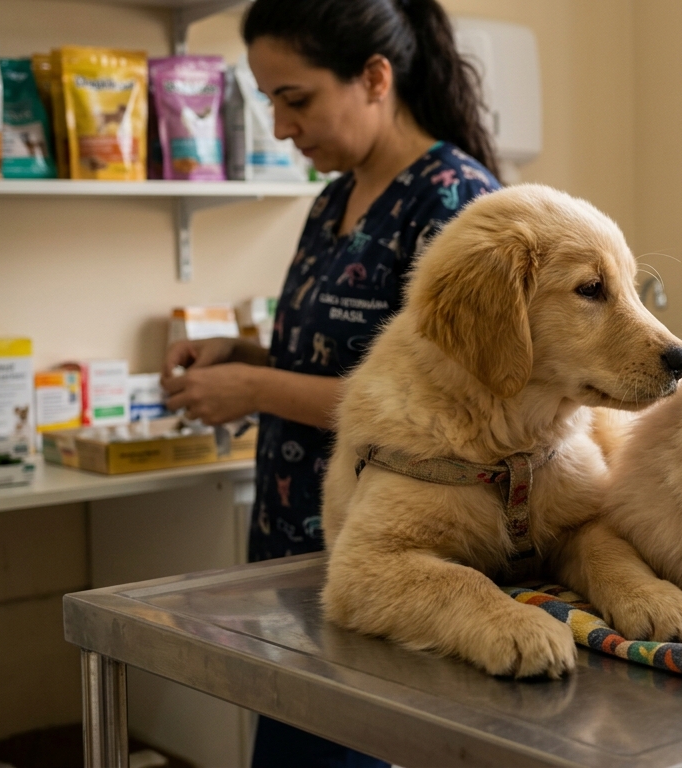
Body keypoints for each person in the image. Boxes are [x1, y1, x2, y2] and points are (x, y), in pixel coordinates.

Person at [160, 0, 501, 765]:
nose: (281, 127)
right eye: (269, 101)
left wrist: (253, 390)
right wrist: (244, 353)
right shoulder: (334, 199)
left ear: (375, 77)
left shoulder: (454, 203)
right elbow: (342, 358)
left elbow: (442, 408)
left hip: (393, 556)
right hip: (298, 543)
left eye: (296, 99)